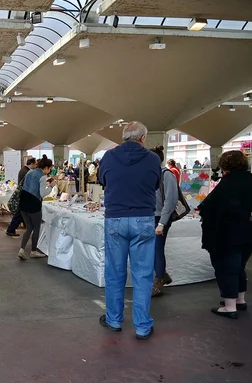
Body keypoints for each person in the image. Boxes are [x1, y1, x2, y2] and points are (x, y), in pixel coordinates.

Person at [98, 121, 161, 340]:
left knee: (114, 271)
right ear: (143, 138)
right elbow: (155, 184)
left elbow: (102, 180)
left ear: (123, 137)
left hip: (115, 218)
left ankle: (114, 319)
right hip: (143, 218)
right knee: (143, 274)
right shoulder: (153, 159)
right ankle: (142, 325)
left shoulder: (108, 157)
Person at [197, 151, 252, 319]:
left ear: (225, 164)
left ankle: (229, 306)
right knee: (240, 266)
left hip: (229, 233)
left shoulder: (228, 184)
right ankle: (240, 300)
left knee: (227, 267)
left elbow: (223, 207)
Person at [150, 146, 178, 297]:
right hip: (150, 216)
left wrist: (162, 222)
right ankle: (162, 274)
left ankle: (159, 279)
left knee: (157, 249)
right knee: (152, 249)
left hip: (160, 217)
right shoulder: (149, 174)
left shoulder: (166, 174)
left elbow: (171, 200)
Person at [17, 158, 55, 261]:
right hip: (34, 204)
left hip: (23, 202)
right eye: (50, 169)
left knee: (29, 228)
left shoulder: (30, 172)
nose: (49, 171)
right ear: (46, 168)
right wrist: (51, 187)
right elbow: (42, 193)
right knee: (36, 228)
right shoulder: (42, 177)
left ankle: (21, 249)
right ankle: (33, 251)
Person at [6, 158, 37, 237]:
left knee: (22, 215)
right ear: (32, 164)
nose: (36, 166)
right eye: (35, 164)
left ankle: (14, 229)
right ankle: (11, 229)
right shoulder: (26, 172)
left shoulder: (24, 170)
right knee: (19, 214)